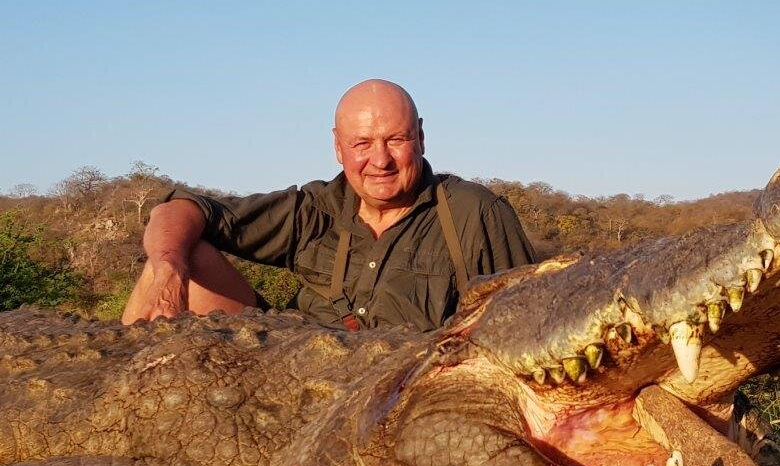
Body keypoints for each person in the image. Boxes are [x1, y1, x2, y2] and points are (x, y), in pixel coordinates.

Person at [121, 79, 535, 331]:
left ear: (420, 137)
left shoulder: (475, 213)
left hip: (407, 399)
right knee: (183, 249)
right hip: (295, 369)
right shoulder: (313, 209)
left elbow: (529, 322)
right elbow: (178, 208)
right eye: (361, 144)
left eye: (396, 139)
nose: (380, 160)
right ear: (338, 146)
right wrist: (168, 270)